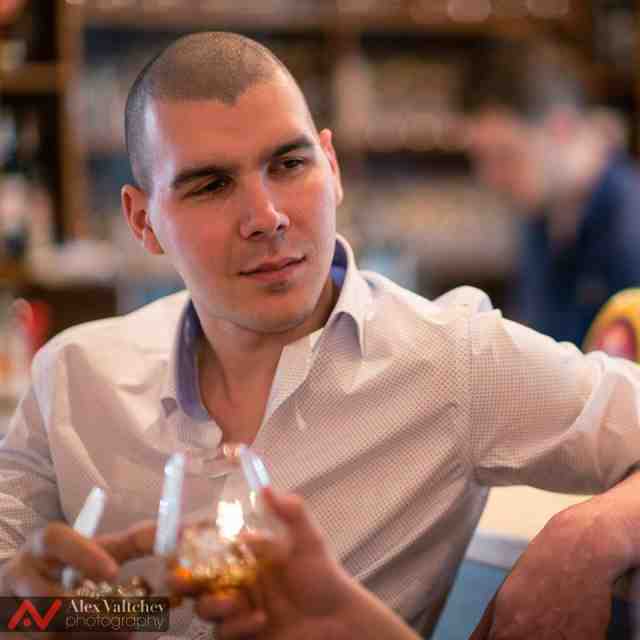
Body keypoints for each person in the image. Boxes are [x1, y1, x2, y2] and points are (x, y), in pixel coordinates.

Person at [1, 31, 640, 639]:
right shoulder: (74, 378)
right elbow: (20, 609)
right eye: (212, 185)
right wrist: (74, 616)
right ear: (143, 221)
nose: (267, 216)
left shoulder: (455, 360)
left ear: (331, 166)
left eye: (289, 163)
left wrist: (592, 533)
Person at [468, 40, 640, 347]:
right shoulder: (540, 216)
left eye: (505, 156)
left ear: (561, 129)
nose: (490, 178)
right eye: (481, 159)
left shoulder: (630, 223)